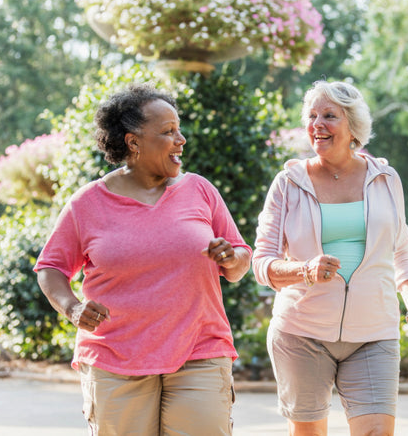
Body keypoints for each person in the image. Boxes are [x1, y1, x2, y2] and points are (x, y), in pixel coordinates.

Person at [34, 83, 251, 435]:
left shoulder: (200, 190)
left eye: (179, 129)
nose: (181, 139)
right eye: (168, 132)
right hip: (116, 356)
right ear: (133, 142)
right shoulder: (88, 203)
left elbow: (241, 260)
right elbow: (51, 268)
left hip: (200, 349)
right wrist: (72, 308)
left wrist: (231, 257)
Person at [253, 80, 408, 436]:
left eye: (330, 116)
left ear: (353, 127)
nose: (317, 124)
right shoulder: (288, 183)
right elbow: (263, 264)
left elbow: (401, 249)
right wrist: (305, 269)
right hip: (301, 333)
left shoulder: (385, 178)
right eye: (312, 116)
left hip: (374, 332)